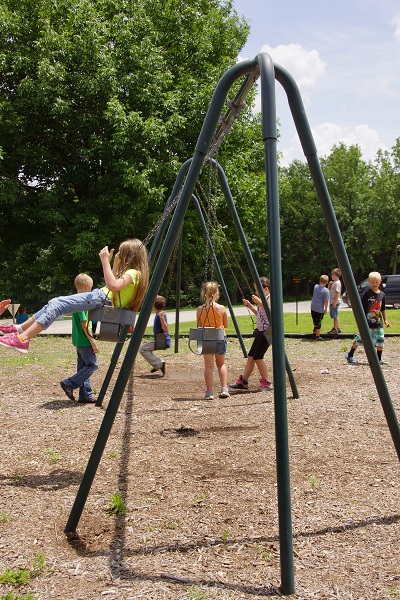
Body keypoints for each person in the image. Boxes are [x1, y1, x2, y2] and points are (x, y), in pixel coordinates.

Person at [0, 238, 149, 354]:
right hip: (100, 297)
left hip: (99, 298)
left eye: (121, 254)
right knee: (54, 301)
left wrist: (104, 262)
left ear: (129, 256)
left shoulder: (134, 273)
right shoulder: (134, 274)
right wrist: (114, 264)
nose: (118, 255)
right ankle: (19, 329)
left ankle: (22, 339)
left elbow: (112, 286)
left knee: (57, 305)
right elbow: (115, 282)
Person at [60, 274, 100, 403]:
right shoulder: (81, 302)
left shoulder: (74, 300)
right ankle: (69, 383)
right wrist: (93, 341)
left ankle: (85, 395)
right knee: (93, 365)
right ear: (87, 286)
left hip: (78, 340)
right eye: (91, 287)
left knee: (83, 367)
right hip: (84, 340)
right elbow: (84, 324)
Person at [230, 277, 273, 392]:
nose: (257, 292)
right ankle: (243, 381)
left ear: (266, 289)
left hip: (267, 332)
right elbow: (259, 313)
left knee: (258, 357)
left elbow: (268, 309)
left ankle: (267, 383)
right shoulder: (263, 300)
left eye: (258, 290)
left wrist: (258, 301)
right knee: (251, 356)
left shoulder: (270, 298)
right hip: (261, 331)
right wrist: (250, 306)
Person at [345, 271, 391, 365]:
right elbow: (362, 307)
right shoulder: (367, 293)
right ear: (369, 282)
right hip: (367, 322)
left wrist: (386, 320)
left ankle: (378, 359)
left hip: (378, 322)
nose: (374, 284)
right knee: (360, 339)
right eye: (372, 282)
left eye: (376, 282)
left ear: (380, 282)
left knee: (380, 340)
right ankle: (350, 354)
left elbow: (383, 308)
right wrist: (361, 320)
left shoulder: (382, 294)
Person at [196, 281, 229, 400]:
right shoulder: (221, 308)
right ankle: (224, 389)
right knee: (221, 364)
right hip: (220, 335)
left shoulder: (200, 309)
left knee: (208, 366)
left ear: (204, 293)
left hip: (206, 336)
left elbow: (199, 325)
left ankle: (209, 392)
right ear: (215, 293)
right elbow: (225, 324)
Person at [139, 295, 170, 376]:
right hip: (161, 339)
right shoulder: (159, 314)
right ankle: (156, 365)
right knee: (145, 348)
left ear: (153, 305)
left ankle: (159, 364)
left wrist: (162, 319)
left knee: (142, 349)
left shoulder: (160, 315)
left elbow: (166, 329)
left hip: (162, 340)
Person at [310, 275, 329, 340]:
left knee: (315, 321)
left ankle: (314, 333)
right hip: (319, 309)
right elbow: (326, 301)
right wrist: (326, 309)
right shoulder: (326, 291)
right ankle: (317, 336)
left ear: (319, 281)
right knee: (318, 323)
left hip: (313, 307)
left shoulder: (315, 286)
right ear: (327, 282)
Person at [327, 268, 342, 334]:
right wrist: (329, 285)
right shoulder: (334, 283)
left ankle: (335, 329)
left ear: (335, 275)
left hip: (334, 302)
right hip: (333, 301)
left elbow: (337, 293)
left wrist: (334, 303)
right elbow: (329, 291)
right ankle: (337, 328)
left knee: (334, 316)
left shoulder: (337, 283)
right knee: (335, 315)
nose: (331, 276)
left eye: (332, 275)